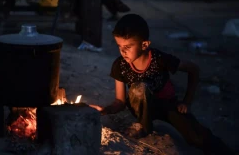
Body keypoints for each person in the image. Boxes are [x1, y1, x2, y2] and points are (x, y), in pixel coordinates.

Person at [90, 14, 234, 155]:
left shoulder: (159, 59)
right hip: (141, 109)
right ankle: (143, 125)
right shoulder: (120, 65)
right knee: (139, 88)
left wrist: (186, 102)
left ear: (144, 45)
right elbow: (120, 101)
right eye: (119, 46)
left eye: (128, 46)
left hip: (168, 105)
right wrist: (106, 110)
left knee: (197, 136)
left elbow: (193, 69)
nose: (123, 51)